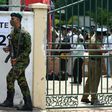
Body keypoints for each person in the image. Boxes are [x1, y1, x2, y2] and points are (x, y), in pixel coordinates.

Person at [0, 13, 32, 111]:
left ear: (18, 20)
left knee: (10, 77)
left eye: (12, 19)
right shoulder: (13, 33)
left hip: (23, 61)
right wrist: (8, 48)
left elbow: (27, 51)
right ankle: (28, 104)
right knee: (22, 81)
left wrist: (16, 59)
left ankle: (9, 101)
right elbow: (13, 47)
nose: (11, 20)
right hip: (16, 61)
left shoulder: (25, 34)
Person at [81, 28, 107, 105]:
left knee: (89, 80)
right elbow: (101, 50)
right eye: (103, 35)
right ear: (100, 34)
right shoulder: (96, 40)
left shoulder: (92, 38)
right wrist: (108, 50)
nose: (103, 37)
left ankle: (85, 97)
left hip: (91, 61)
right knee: (95, 81)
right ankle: (94, 99)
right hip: (95, 62)